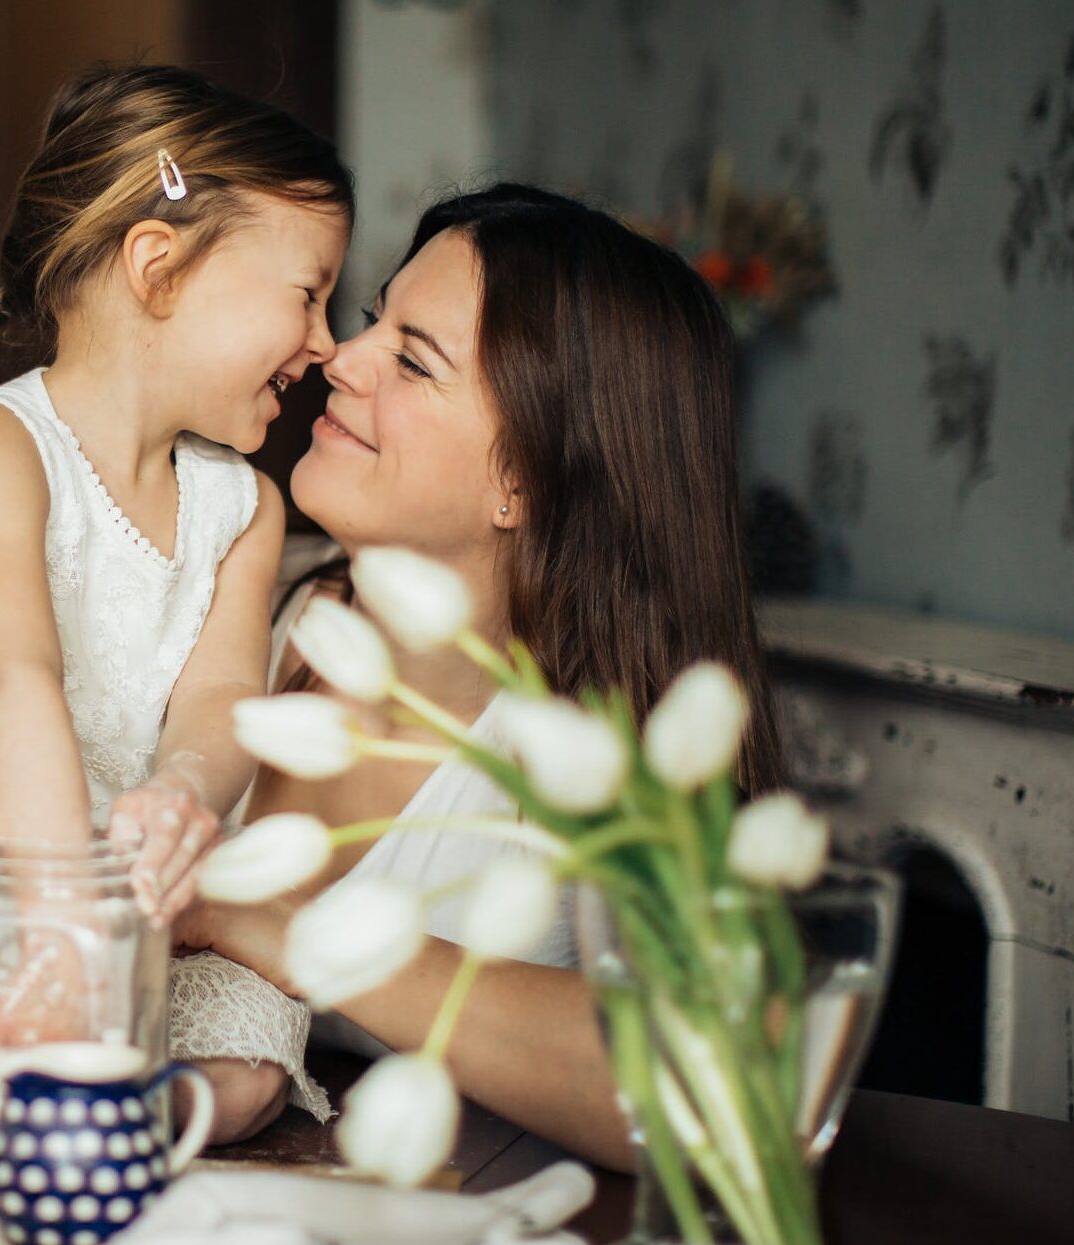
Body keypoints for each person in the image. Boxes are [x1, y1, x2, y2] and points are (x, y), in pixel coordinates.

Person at [0, 63, 353, 1142]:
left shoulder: (243, 507)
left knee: (259, 1029)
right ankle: (54, 1094)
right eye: (308, 293)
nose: (325, 343)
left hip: (128, 923)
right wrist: (53, 934)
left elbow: (224, 697)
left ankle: (107, 1111)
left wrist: (186, 789)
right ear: (160, 267)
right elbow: (15, 683)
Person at [177, 182, 785, 1169]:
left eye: (413, 358)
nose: (341, 353)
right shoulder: (231, 599)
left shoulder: (606, 757)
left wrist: (307, 933)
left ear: (526, 481)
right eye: (376, 318)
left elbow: (718, 1089)